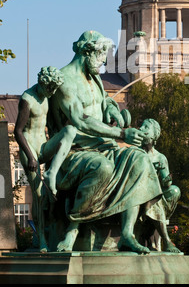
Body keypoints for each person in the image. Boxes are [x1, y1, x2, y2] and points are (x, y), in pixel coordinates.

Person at [49, 30, 163, 253]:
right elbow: (79, 120)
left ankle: (127, 234)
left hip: (103, 147)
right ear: (88, 51)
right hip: (73, 152)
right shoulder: (64, 81)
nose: (102, 64)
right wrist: (121, 135)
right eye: (101, 57)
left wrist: (114, 111)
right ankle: (72, 230)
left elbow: (105, 102)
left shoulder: (95, 79)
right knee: (102, 167)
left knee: (139, 159)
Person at [14, 66, 77, 252]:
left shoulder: (48, 97)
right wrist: (31, 157)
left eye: (54, 89)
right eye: (50, 88)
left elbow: (57, 126)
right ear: (43, 83)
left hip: (43, 146)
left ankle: (53, 172)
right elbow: (18, 131)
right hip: (30, 149)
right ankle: (41, 238)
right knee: (39, 195)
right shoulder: (27, 99)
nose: (52, 92)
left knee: (70, 131)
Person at [138, 119, 181, 253]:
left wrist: (166, 179)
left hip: (154, 194)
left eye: (146, 127)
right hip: (138, 193)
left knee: (174, 191)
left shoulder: (160, 157)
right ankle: (166, 241)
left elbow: (166, 184)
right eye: (141, 126)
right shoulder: (135, 153)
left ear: (154, 135)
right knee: (155, 199)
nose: (141, 128)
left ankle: (149, 235)